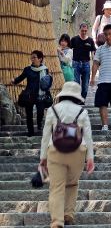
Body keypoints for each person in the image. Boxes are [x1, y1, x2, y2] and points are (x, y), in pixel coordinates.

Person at [39, 81, 95, 228]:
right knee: (72, 183)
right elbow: (88, 136)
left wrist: (42, 158)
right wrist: (90, 158)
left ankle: (57, 221)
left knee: (56, 186)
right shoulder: (82, 112)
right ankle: (68, 214)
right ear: (77, 96)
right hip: (77, 152)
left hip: (55, 151)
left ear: (63, 94)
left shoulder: (52, 110)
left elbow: (45, 135)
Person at [10, 50, 52, 136]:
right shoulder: (28, 69)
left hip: (41, 95)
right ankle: (30, 132)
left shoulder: (45, 69)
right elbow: (21, 78)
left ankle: (39, 124)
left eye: (34, 57)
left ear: (40, 59)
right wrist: (14, 81)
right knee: (29, 114)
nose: (32, 59)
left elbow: (47, 82)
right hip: (29, 95)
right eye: (31, 57)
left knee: (40, 112)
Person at [70, 23, 96, 99]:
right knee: (76, 83)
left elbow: (92, 52)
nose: (84, 32)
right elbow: (69, 49)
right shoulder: (74, 39)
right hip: (76, 63)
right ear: (80, 30)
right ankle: (77, 99)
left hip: (86, 64)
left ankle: (83, 99)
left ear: (87, 30)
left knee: (85, 85)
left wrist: (93, 62)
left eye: (85, 31)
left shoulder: (90, 40)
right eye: (82, 31)